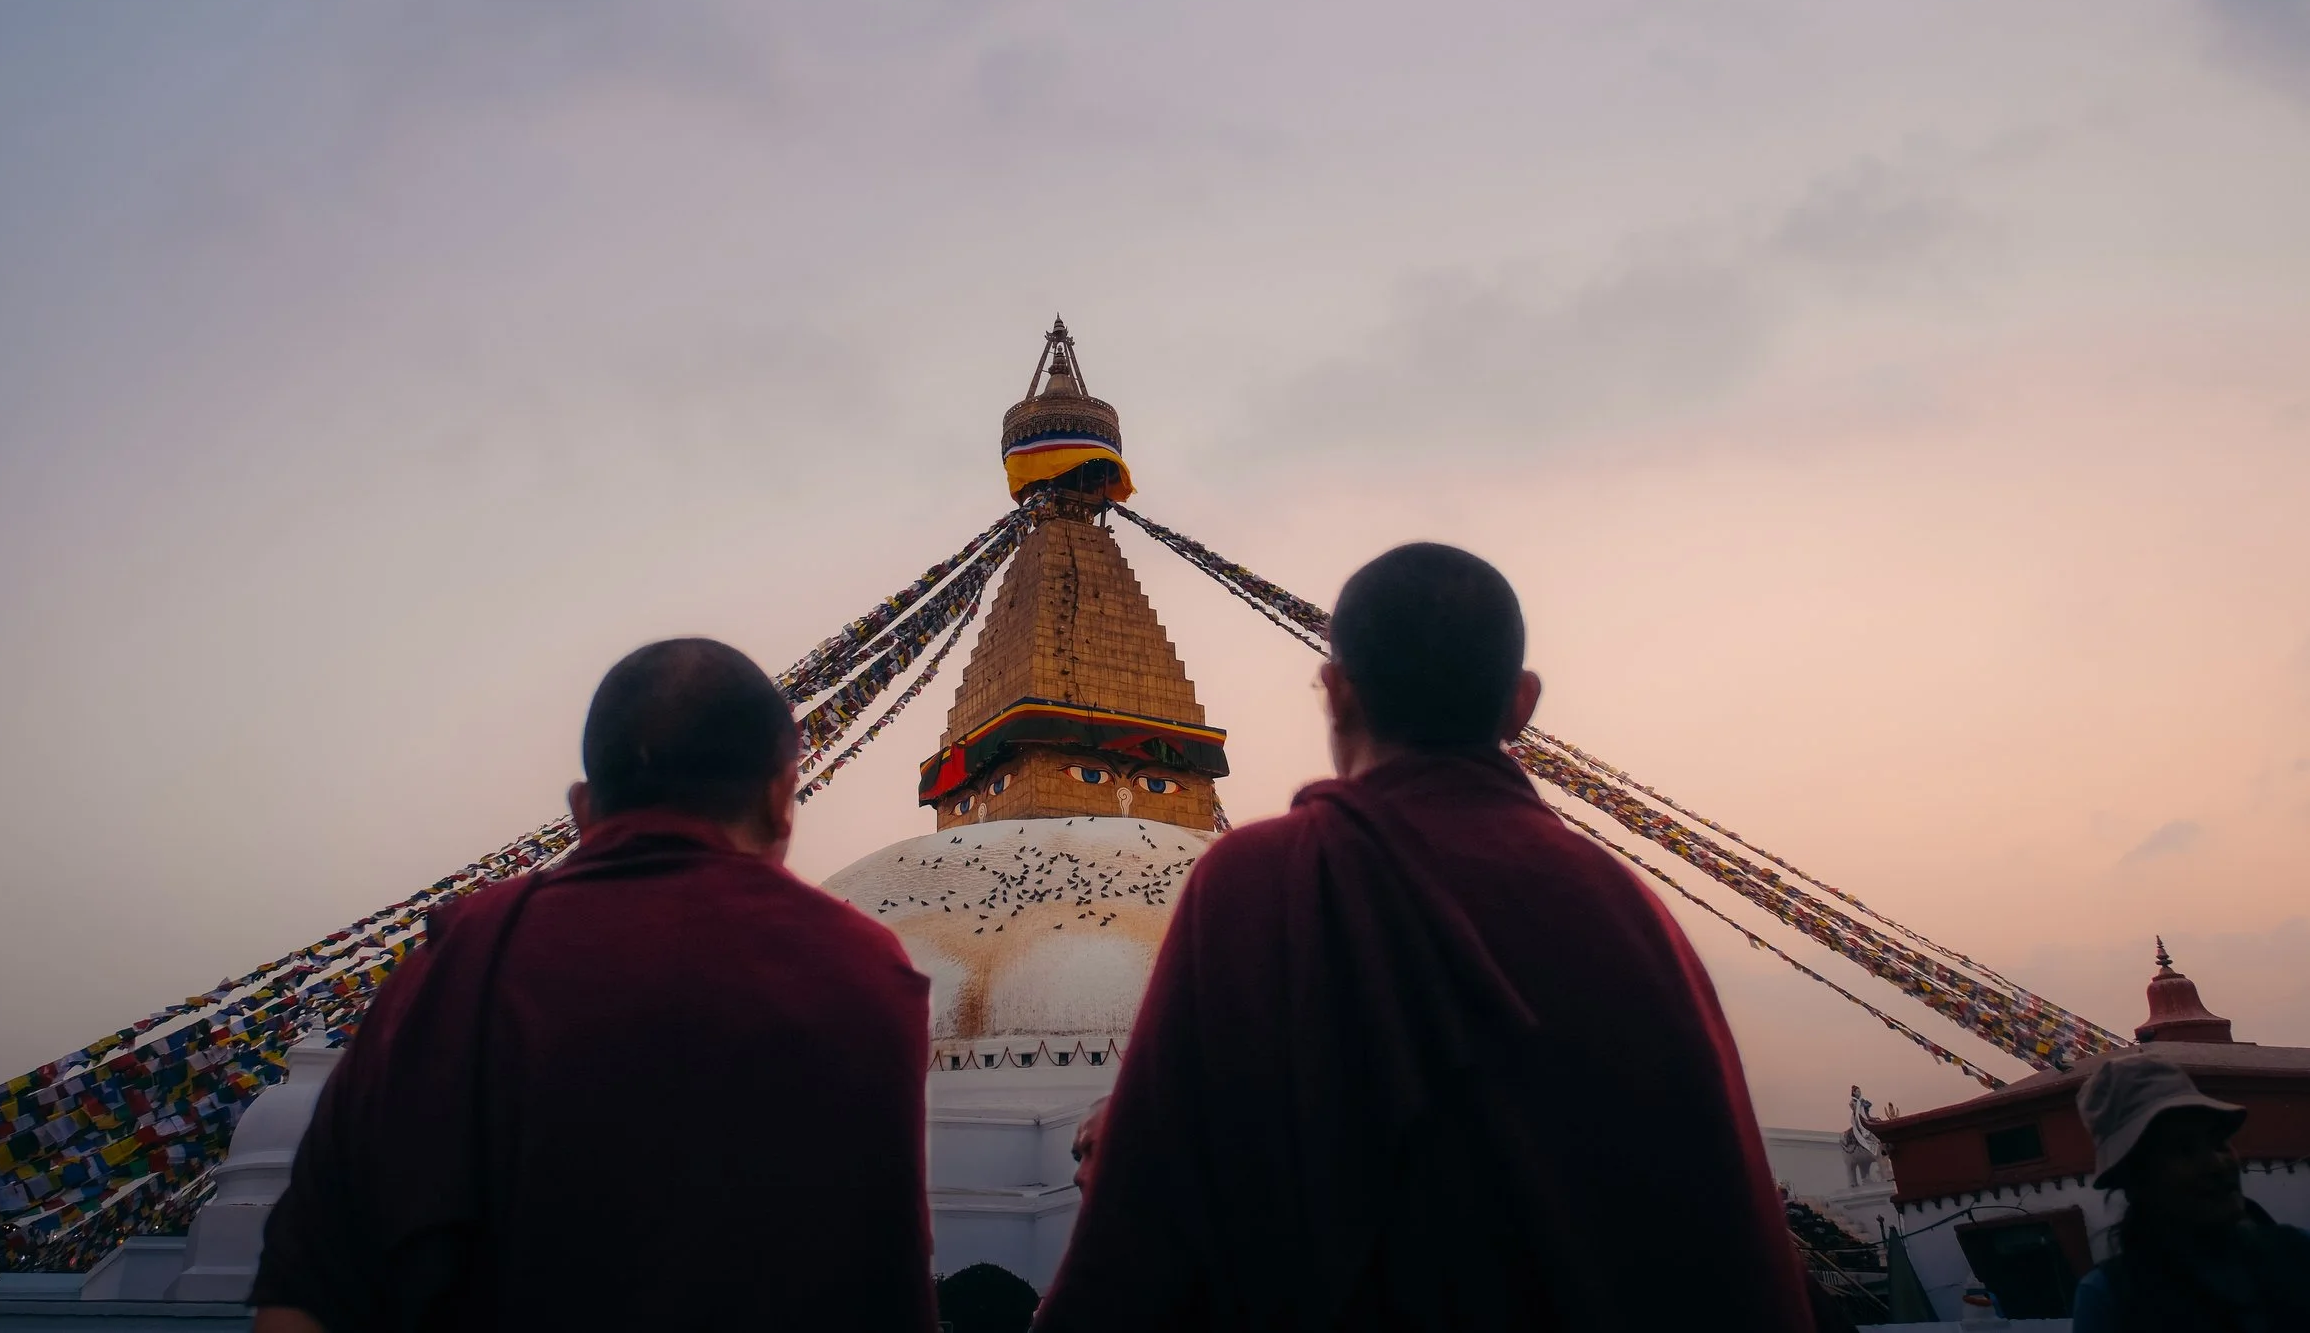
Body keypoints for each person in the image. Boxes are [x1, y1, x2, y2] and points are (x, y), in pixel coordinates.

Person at [1034, 543, 1815, 1332]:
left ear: (1335, 694)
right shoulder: (1629, 906)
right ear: (1522, 703)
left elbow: (1137, 1242)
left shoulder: (1263, 878)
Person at [252, 638, 936, 1332]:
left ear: (582, 805)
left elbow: (303, 1292)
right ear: (782, 796)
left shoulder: (456, 959)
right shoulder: (864, 969)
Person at [2071, 1051, 2310, 1332]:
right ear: (2135, 1178)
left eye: (2219, 1143)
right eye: (2183, 1150)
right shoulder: (2110, 1300)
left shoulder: (2296, 1253)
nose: (2217, 1164)